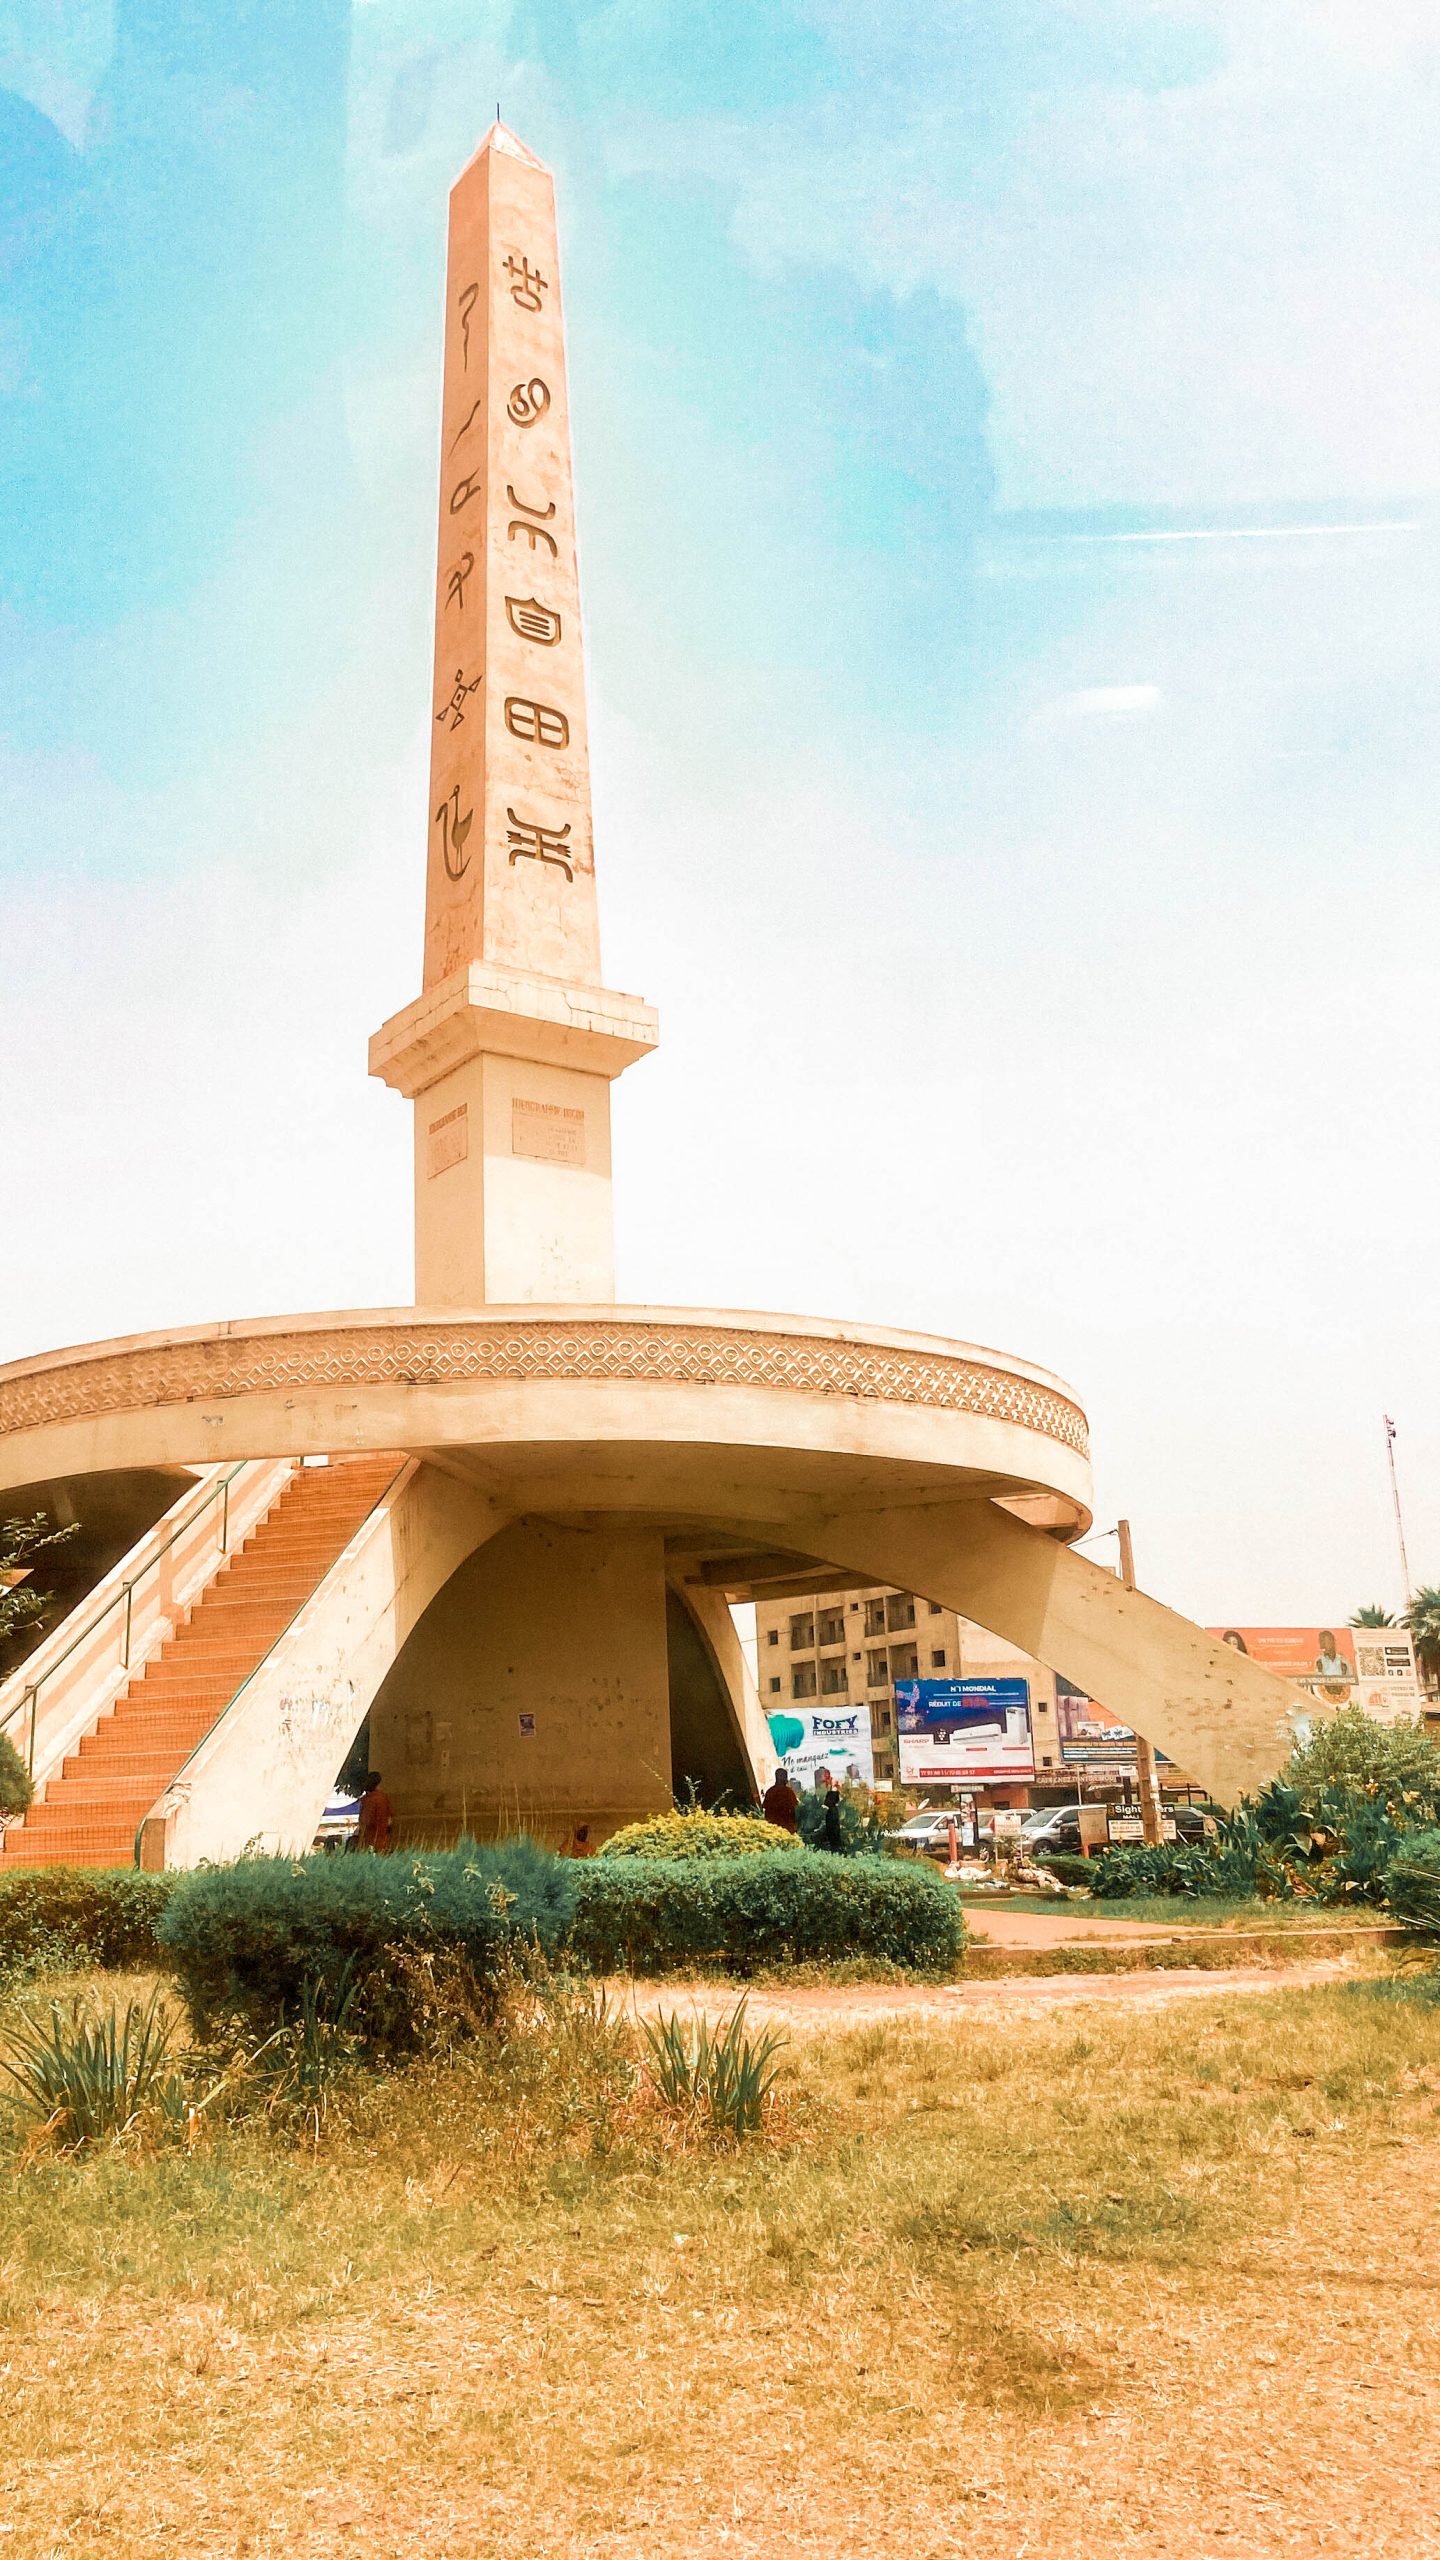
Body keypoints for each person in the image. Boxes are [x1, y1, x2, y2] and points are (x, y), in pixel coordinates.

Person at [355, 1770, 393, 1853]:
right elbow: (389, 1821)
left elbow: (364, 1820)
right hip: (381, 1838)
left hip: (367, 1839)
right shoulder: (382, 1798)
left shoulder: (366, 1800)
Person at [762, 1765, 799, 1834]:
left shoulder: (770, 1791)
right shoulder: (788, 1791)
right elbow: (793, 1809)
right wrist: (794, 1825)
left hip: (772, 1827)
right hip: (786, 1826)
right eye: (785, 1776)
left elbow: (766, 1810)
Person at [821, 1780, 844, 1853]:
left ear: (831, 1800)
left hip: (833, 1840)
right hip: (834, 1839)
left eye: (827, 1798)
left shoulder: (832, 1811)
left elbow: (832, 1828)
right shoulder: (833, 1810)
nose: (825, 1800)